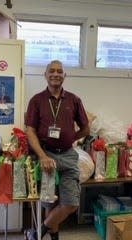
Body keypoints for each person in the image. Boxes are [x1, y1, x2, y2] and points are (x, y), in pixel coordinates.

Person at [25, 60, 90, 240]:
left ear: (64, 76)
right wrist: (43, 156)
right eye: (51, 71)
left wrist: (71, 138)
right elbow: (30, 131)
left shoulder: (74, 100)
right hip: (47, 154)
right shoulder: (37, 100)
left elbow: (86, 129)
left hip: (68, 155)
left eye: (59, 71)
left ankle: (37, 234)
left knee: (71, 204)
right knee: (49, 203)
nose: (56, 74)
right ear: (45, 75)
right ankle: (54, 238)